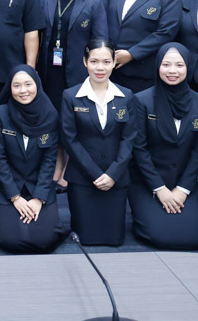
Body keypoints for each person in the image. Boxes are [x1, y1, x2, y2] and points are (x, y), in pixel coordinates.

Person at [129, 43, 198, 250]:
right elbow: (139, 149)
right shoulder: (142, 100)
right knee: (159, 235)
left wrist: (183, 189)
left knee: (195, 236)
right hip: (148, 182)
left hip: (183, 180)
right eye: (166, 65)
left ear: (188, 67)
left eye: (179, 65)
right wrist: (160, 189)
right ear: (158, 66)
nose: (172, 71)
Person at [38, 0, 107, 191]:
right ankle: (57, 165)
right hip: (49, 71)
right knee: (54, 119)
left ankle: (69, 168)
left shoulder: (94, 3)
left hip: (79, 72)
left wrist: (96, 68)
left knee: (75, 121)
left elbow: (100, 39)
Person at [61, 39, 137, 246]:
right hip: (83, 178)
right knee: (85, 238)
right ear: (85, 62)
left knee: (115, 239)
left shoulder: (126, 96)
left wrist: (113, 174)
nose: (100, 67)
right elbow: (69, 139)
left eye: (106, 62)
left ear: (114, 63)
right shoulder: (70, 96)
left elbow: (129, 138)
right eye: (94, 61)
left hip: (116, 178)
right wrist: (95, 173)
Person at [0, 65, 66, 253]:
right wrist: (15, 197)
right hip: (6, 187)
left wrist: (39, 198)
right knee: (10, 240)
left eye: (28, 84)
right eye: (16, 85)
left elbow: (49, 160)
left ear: (37, 84)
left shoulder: (50, 115)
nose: (23, 90)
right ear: (10, 87)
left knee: (46, 240)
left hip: (38, 186)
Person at [101, 0, 180, 94]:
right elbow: (100, 20)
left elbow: (165, 33)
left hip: (141, 72)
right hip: (108, 69)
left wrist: (131, 54)